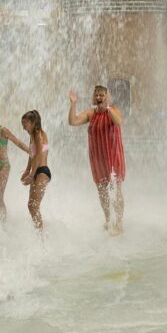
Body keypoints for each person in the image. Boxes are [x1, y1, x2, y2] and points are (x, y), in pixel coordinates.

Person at [69, 86, 125, 235]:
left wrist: (108, 107)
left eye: (102, 95)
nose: (99, 97)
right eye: (97, 95)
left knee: (116, 188)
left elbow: (119, 121)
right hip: (97, 157)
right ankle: (108, 219)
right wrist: (73, 104)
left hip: (113, 155)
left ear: (107, 96)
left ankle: (119, 222)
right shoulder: (91, 113)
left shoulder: (113, 110)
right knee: (102, 190)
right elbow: (73, 122)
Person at [20, 110, 50, 230]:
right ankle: (38, 232)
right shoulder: (32, 136)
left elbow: (38, 156)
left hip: (42, 171)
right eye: (22, 124)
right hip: (35, 171)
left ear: (33, 123)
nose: (23, 127)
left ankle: (41, 235)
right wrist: (27, 170)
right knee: (31, 205)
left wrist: (31, 175)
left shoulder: (38, 134)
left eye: (25, 124)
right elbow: (31, 155)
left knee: (34, 205)